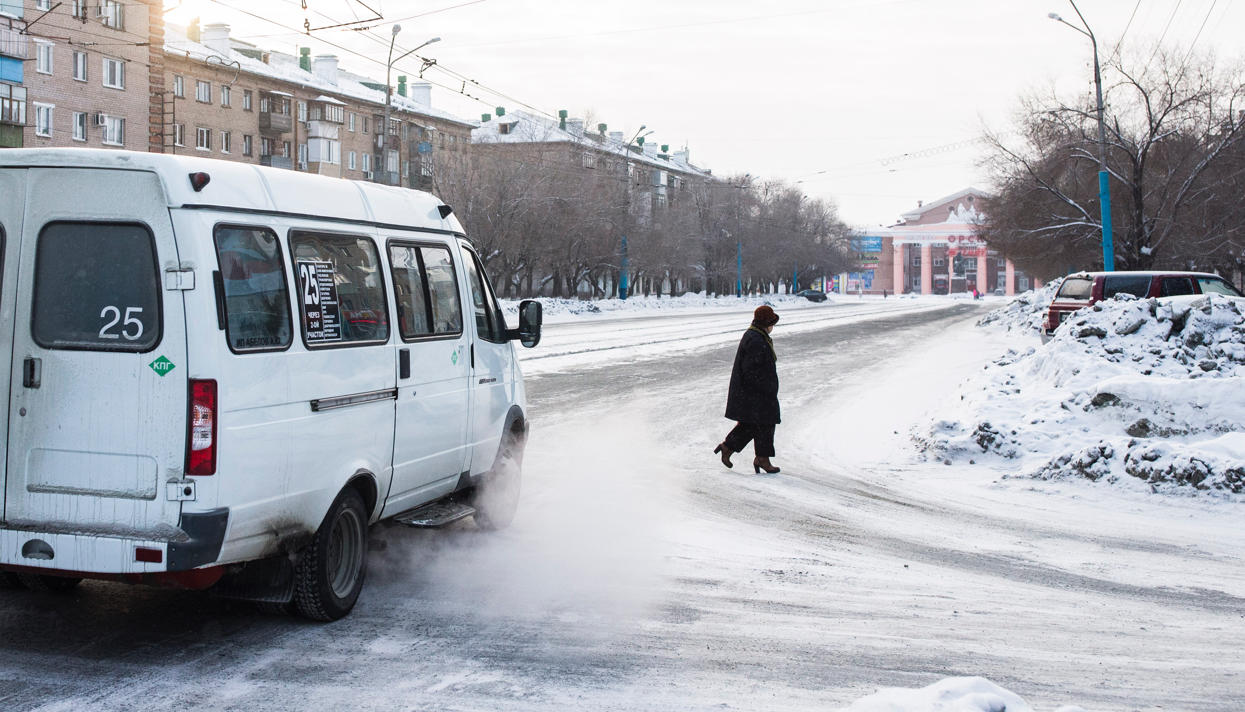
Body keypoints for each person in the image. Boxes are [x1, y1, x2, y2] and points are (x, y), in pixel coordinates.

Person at [715, 305, 782, 474]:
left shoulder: (757, 336)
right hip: (755, 393)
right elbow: (751, 369)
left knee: (754, 425)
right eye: (771, 323)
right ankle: (761, 458)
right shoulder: (755, 339)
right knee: (764, 423)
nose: (772, 327)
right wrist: (763, 389)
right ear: (766, 323)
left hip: (755, 392)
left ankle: (729, 448)